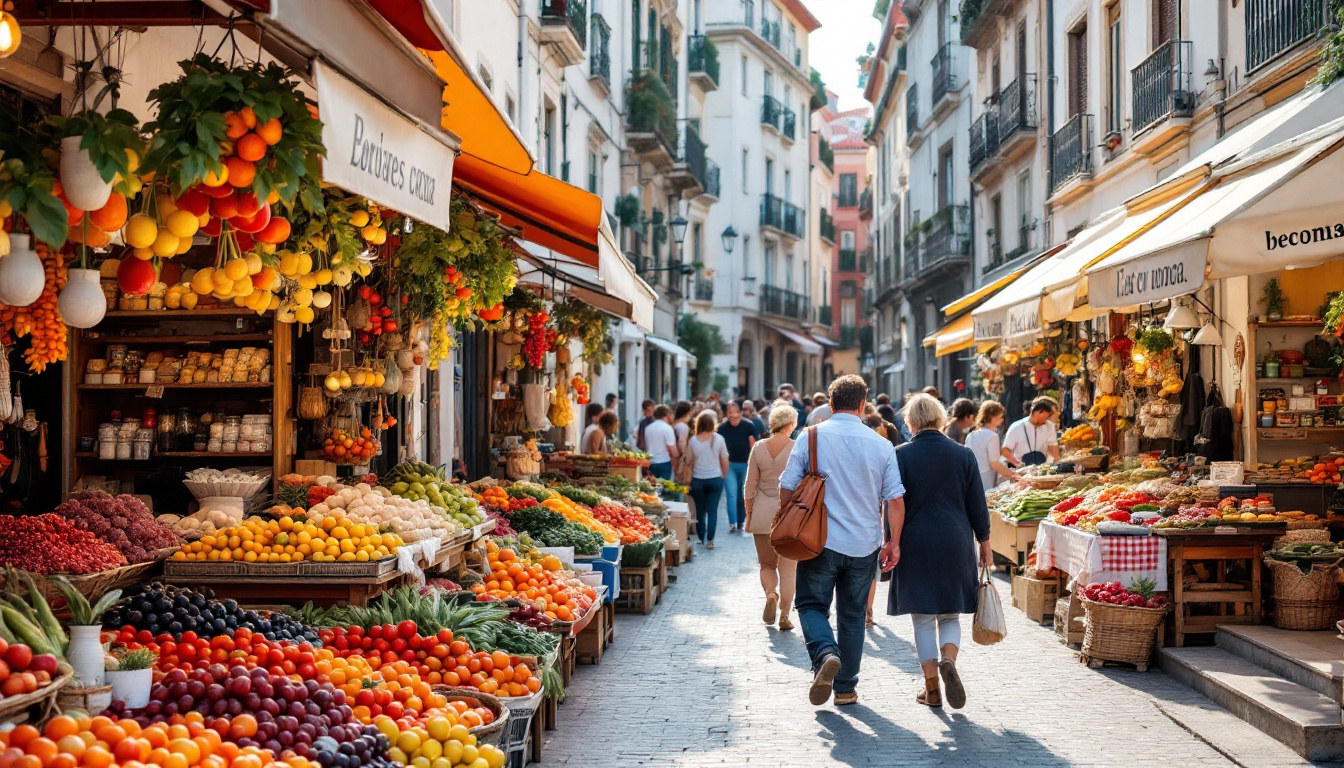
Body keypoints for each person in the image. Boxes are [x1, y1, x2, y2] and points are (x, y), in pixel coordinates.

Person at [780, 375, 905, 707]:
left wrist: (787, 519)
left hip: (818, 542)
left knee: (810, 605)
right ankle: (846, 689)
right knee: (852, 616)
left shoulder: (811, 437)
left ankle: (824, 653)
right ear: (863, 405)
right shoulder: (881, 444)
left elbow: (788, 486)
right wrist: (893, 543)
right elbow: (895, 500)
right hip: (865, 544)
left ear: (830, 404)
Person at [885, 393, 992, 710]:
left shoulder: (901, 455)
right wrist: (984, 543)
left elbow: (893, 504)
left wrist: (891, 541)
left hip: (915, 541)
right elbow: (978, 505)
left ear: (911, 422)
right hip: (956, 541)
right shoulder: (963, 455)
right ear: (941, 418)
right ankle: (949, 659)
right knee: (949, 613)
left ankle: (931, 687)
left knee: (921, 619)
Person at [744, 401, 798, 631]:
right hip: (789, 514)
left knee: (766, 564)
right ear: (792, 424)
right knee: (788, 568)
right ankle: (785, 615)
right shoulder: (797, 447)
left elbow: (749, 486)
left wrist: (749, 514)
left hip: (762, 513)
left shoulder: (758, 447)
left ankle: (770, 594)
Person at [686, 410, 730, 549]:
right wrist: (724, 475)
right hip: (715, 478)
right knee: (712, 511)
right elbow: (724, 459)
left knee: (700, 509)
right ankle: (710, 540)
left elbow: (688, 461)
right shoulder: (719, 439)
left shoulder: (693, 440)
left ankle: (701, 537)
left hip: (698, 479)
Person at [718, 401, 758, 533]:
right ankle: (733, 522)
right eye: (730, 412)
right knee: (731, 493)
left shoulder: (748, 426)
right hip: (729, 465)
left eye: (735, 411)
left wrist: (754, 466)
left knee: (742, 494)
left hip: (745, 464)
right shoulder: (723, 428)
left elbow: (753, 446)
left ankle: (741, 521)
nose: (732, 415)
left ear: (741, 413)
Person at [966, 401, 1018, 490]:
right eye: (1000, 417)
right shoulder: (992, 436)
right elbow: (994, 463)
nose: (1002, 420)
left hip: (970, 477)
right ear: (991, 417)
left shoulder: (971, 435)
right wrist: (1013, 475)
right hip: (985, 480)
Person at [1001, 397, 1060, 467]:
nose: (1048, 418)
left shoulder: (1050, 426)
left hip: (1042, 469)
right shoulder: (1016, 427)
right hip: (1021, 470)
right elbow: (1005, 450)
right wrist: (1017, 463)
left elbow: (1054, 452)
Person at [644, 405, 679, 480]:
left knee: (652, 488)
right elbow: (673, 449)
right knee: (664, 488)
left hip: (650, 462)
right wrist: (676, 464)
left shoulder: (648, 428)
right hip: (663, 462)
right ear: (668, 414)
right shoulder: (667, 428)